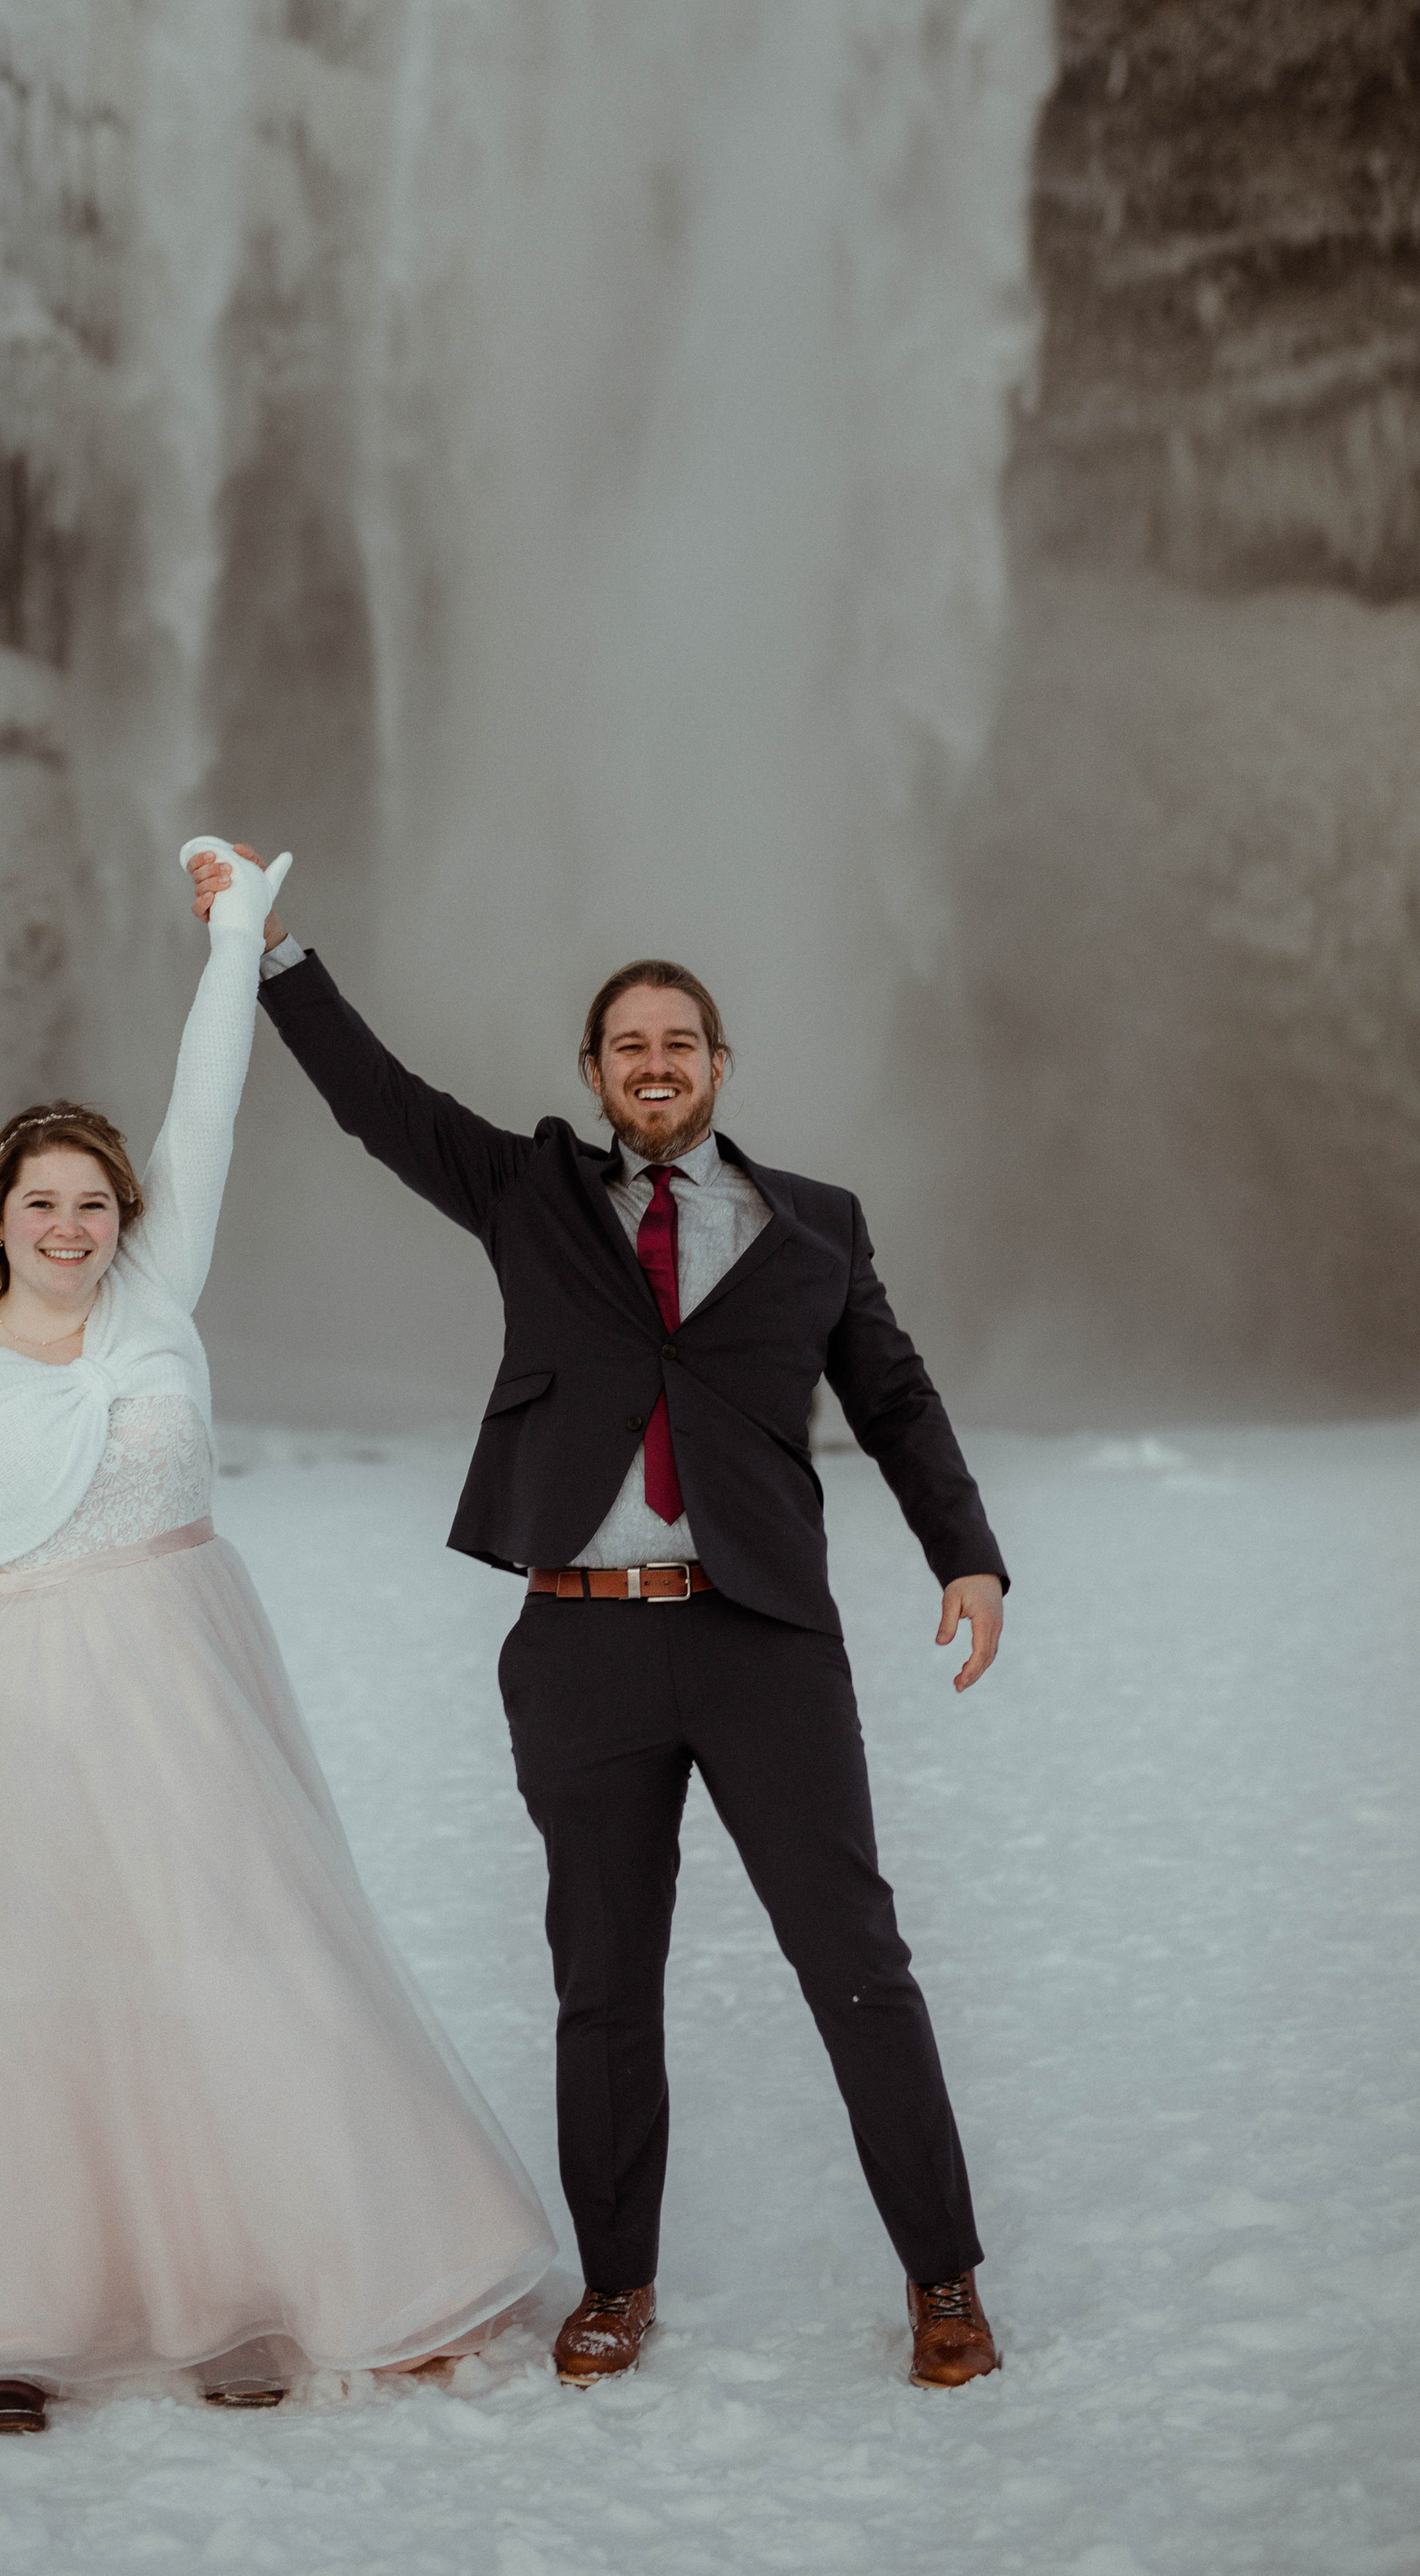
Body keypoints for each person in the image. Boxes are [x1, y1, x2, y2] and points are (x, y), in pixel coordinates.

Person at [192, 847, 1007, 2393]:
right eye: (628, 1044)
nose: (654, 1065)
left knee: (857, 1963)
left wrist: (964, 1556)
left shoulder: (817, 1223)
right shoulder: (528, 1192)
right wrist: (272, 948)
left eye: (679, 1043)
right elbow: (379, 1100)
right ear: (594, 1069)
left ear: (717, 1067)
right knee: (602, 1977)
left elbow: (894, 1400)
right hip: (581, 1645)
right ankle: (617, 2285)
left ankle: (945, 2281)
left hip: (764, 1639)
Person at [0, 843, 553, 2431]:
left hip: (183, 1696)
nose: (74, 1225)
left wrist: (238, 933)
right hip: (15, 1707)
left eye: (95, 1202)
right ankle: (18, 2316)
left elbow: (205, 1111)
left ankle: (252, 2292)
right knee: (28, 2001)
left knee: (233, 1973)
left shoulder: (158, 1295)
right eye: (45, 1203)